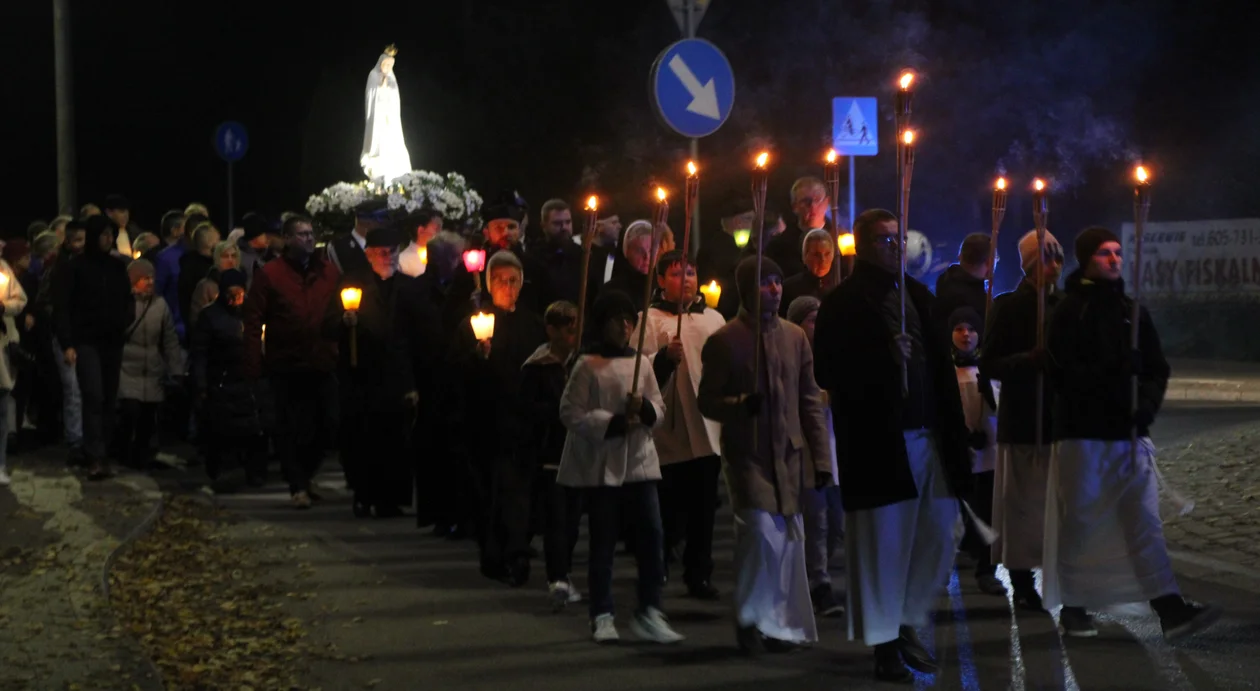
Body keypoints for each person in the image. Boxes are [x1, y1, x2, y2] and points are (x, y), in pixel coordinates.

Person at [813, 208, 971, 682]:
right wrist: (882, 358)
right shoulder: (842, 303)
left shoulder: (920, 297)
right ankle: (884, 645)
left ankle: (905, 620)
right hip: (879, 443)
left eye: (898, 239)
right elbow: (828, 372)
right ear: (862, 246)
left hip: (928, 435)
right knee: (882, 548)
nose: (894, 247)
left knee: (942, 532)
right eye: (884, 240)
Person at [1044, 226, 1219, 640]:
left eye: (1118, 252)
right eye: (1105, 253)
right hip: (1082, 435)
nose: (1115, 259)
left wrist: (1143, 405)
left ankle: (1170, 608)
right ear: (1086, 259)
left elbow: (1157, 368)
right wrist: (1114, 375)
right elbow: (1062, 371)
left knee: (1144, 522)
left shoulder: (1131, 309)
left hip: (1127, 434)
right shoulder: (1068, 310)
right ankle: (1074, 605)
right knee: (1081, 521)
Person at [698, 256, 831, 654]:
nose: (774, 289)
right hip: (748, 454)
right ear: (746, 288)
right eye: (764, 282)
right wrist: (740, 404)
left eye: (777, 281)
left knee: (788, 543)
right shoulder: (725, 340)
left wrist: (822, 460)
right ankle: (749, 617)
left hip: (789, 457)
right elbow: (708, 401)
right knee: (759, 536)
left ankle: (776, 622)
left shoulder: (794, 337)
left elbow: (809, 400)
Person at [557, 290, 682, 645]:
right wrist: (611, 422)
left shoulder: (642, 363)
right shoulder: (587, 364)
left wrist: (645, 411)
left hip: (639, 461)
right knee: (604, 541)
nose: (624, 326)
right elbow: (570, 412)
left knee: (652, 536)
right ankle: (602, 613)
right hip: (603, 465)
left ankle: (650, 610)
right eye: (617, 320)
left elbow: (659, 406)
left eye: (629, 320)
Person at [631, 250, 726, 600]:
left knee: (704, 506)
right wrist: (661, 359)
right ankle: (659, 564)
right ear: (659, 281)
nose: (684, 279)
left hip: (707, 427)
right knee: (669, 505)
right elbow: (637, 367)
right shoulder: (650, 319)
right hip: (668, 429)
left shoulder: (713, 319)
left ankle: (698, 571)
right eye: (674, 274)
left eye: (689, 272)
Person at [980, 229, 1065, 609]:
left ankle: (1062, 576)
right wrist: (1026, 360)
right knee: (1022, 505)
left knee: (1058, 504)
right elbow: (990, 362)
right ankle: (1022, 580)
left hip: (1059, 419)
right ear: (1031, 265)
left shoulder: (1064, 304)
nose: (1055, 266)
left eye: (1058, 258)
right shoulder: (1009, 306)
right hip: (1023, 419)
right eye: (1047, 259)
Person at [450, 251, 546, 583]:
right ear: (489, 284)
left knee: (519, 491)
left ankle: (517, 551)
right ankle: (495, 553)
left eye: (513, 280)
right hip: (486, 421)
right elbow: (456, 374)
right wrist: (478, 359)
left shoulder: (534, 324)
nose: (507, 287)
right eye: (500, 281)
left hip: (524, 421)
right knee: (490, 493)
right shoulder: (473, 324)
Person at [243, 214, 340, 508]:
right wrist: (252, 362)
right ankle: (297, 483)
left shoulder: (328, 272)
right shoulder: (271, 274)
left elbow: (338, 306)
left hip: (322, 359)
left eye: (311, 233)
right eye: (301, 234)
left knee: (327, 423)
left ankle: (307, 473)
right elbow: (253, 318)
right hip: (286, 362)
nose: (308, 238)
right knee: (291, 426)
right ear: (286, 239)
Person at [54, 215, 133, 480]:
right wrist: (67, 343)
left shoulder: (116, 267)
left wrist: (123, 323)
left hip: (112, 340)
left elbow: (126, 300)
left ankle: (104, 452)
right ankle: (94, 455)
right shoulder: (75, 267)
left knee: (109, 397)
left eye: (111, 235)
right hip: (86, 340)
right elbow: (62, 307)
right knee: (93, 395)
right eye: (104, 235)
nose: (109, 239)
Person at [519, 301, 585, 610]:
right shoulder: (537, 367)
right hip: (550, 452)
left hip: (579, 452)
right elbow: (528, 410)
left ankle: (565, 571)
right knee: (556, 518)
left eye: (576, 326)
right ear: (551, 330)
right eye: (567, 327)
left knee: (572, 520)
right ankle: (557, 577)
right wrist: (560, 412)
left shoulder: (582, 363)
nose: (573, 333)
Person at [785, 295, 846, 619]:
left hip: (833, 444)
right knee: (816, 518)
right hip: (807, 447)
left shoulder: (832, 353)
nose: (817, 327)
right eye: (811, 320)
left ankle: (813, 571)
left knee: (836, 521)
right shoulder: (791, 355)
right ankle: (818, 581)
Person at [190, 269, 269, 486]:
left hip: (248, 380)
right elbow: (200, 352)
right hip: (222, 381)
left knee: (255, 429)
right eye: (232, 293)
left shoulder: (251, 314)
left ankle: (255, 470)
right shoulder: (210, 317)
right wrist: (202, 384)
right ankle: (223, 469)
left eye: (240, 293)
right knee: (222, 430)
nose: (236, 298)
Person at [947, 306, 1002, 595]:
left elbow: (1000, 406)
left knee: (986, 509)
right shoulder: (944, 370)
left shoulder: (988, 368)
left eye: (971, 329)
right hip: (960, 450)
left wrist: (989, 393)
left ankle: (986, 568)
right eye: (959, 329)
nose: (965, 334)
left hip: (987, 450)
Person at [116, 260, 182, 469]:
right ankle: (123, 452)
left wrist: (175, 369)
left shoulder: (160, 305)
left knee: (147, 418)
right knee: (129, 412)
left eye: (152, 278)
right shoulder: (123, 303)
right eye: (146, 278)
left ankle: (140, 456)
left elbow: (169, 339)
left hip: (152, 370)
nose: (150, 282)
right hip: (127, 369)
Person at [361, 44, 412, 184]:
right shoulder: (373, 75)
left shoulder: (392, 78)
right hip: (378, 119)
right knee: (378, 144)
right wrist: (381, 87)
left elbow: (395, 98)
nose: (388, 67)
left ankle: (396, 177)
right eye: (386, 64)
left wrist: (388, 88)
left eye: (391, 65)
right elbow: (371, 96)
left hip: (390, 119)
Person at [765, 177, 831, 280]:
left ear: (826, 202)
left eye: (817, 200)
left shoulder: (840, 239)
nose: (812, 206)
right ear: (794, 206)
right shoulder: (779, 246)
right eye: (806, 201)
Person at [0, 258, 28, 486]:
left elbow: (20, 299)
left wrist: (3, 307)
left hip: (2, 347)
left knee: (1, 407)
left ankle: (0, 464)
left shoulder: (3, 269)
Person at [934, 233, 992, 337]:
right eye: (996, 258)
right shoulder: (977, 301)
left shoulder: (945, 281)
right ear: (989, 262)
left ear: (960, 256)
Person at [780, 228, 836, 316]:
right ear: (805, 256)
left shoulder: (839, 286)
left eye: (827, 254)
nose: (823, 260)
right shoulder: (789, 289)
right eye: (816, 255)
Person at [397, 209, 443, 278]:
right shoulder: (404, 261)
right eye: (436, 228)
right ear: (421, 230)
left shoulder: (441, 254)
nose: (440, 232)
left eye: (441, 228)